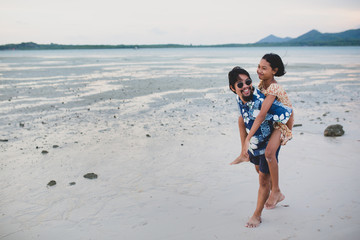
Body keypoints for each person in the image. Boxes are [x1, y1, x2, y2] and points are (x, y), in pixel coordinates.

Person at [228, 66, 292, 228]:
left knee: (263, 179)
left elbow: (288, 112)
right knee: (259, 171)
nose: (246, 86)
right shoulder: (239, 98)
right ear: (232, 89)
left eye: (248, 82)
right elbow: (243, 117)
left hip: (268, 142)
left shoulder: (261, 101)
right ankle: (278, 193)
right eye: (240, 84)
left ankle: (257, 215)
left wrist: (287, 132)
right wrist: (245, 144)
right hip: (255, 143)